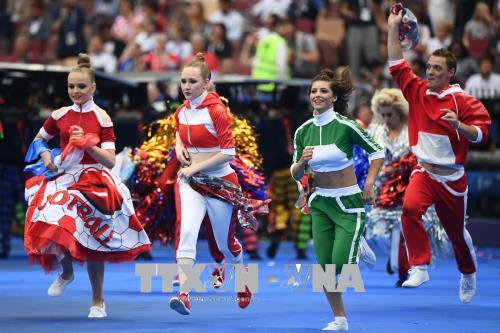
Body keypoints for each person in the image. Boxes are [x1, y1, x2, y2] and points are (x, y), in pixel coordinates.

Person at [24, 53, 151, 318]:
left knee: (94, 239)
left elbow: (109, 160)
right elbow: (39, 139)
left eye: (81, 86)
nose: (75, 91)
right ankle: (67, 271)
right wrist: (47, 156)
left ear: (93, 87)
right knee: (52, 218)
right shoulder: (59, 115)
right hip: (64, 175)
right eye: (71, 86)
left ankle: (98, 300)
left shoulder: (102, 117)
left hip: (94, 179)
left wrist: (87, 144)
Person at [387, 10, 491, 303]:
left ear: (450, 73)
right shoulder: (417, 90)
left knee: (457, 235)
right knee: (409, 208)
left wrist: (459, 125)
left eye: (436, 68)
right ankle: (419, 266)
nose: (429, 71)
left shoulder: (464, 101)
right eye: (429, 66)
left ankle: (468, 272)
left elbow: (482, 135)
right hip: (424, 172)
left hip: (452, 179)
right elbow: (396, 62)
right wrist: (394, 27)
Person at [291, 68, 384, 331]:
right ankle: (340, 319)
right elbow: (295, 172)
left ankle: (358, 245)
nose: (317, 95)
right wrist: (302, 161)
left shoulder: (346, 126)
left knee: (341, 264)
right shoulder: (302, 131)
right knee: (325, 268)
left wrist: (369, 182)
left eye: (323, 91)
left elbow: (377, 152)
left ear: (333, 97)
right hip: (320, 203)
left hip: (349, 203)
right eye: (313, 91)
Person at [169, 53, 253, 315]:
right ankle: (183, 295)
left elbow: (228, 153)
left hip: (220, 183)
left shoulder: (217, 111)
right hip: (190, 183)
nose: (186, 86)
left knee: (226, 245)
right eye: (183, 81)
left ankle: (243, 277)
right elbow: (179, 131)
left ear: (207, 82)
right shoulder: (181, 111)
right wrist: (179, 145)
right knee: (187, 234)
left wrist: (194, 166)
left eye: (192, 81)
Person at [365, 88, 449, 287]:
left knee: (409, 227)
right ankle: (396, 261)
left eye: (390, 115)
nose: (386, 118)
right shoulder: (375, 130)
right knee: (377, 234)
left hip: (412, 184)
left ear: (400, 112)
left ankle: (405, 268)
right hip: (383, 189)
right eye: (383, 114)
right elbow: (365, 155)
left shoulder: (414, 129)